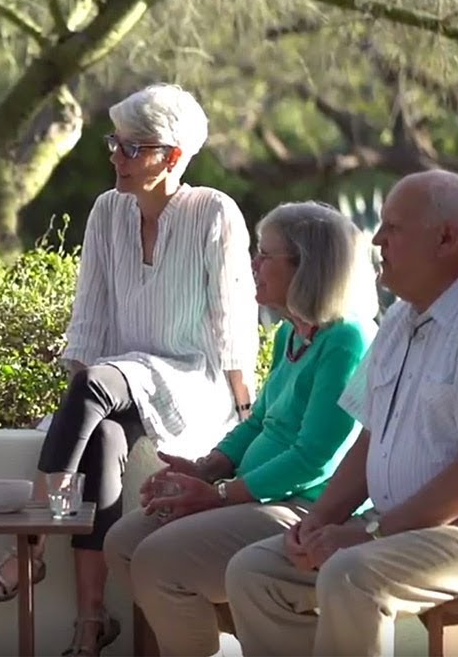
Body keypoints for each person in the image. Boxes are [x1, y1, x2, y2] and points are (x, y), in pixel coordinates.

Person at [0, 83, 259, 656]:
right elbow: (90, 312)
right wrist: (78, 414)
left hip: (191, 379)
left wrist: (246, 408)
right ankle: (91, 623)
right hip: (123, 378)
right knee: (100, 438)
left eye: (131, 148)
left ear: (171, 156)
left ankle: (32, 550)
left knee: (97, 383)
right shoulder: (107, 210)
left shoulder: (214, 211)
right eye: (113, 144)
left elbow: (233, 316)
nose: (116, 158)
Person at [225, 170, 458, 657]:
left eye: (392, 229)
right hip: (404, 527)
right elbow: (369, 440)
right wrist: (317, 523)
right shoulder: (401, 318)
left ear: (445, 238)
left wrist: (369, 532)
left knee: (352, 572)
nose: (377, 240)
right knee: (254, 572)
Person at [101, 201, 377, 655]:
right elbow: (259, 424)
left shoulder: (346, 339)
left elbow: (315, 457)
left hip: (305, 509)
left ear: (307, 267)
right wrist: (207, 468)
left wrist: (223, 494)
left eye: (266, 255)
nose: (254, 265)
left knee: (156, 561)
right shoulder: (291, 334)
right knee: (124, 542)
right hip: (255, 496)